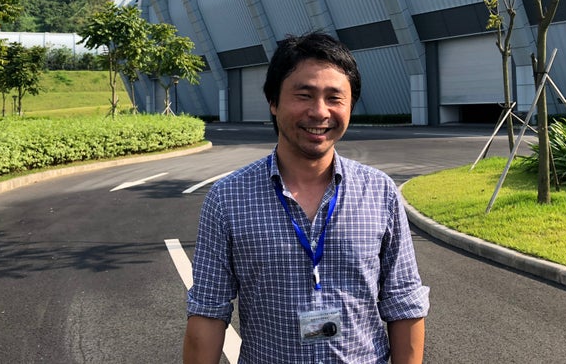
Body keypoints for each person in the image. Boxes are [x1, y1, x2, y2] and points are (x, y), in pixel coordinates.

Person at [183, 32, 429, 363]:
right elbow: (208, 312)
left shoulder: (380, 192)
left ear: (350, 105)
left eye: (334, 98)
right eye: (304, 95)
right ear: (273, 101)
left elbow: (404, 305)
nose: (319, 112)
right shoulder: (228, 199)